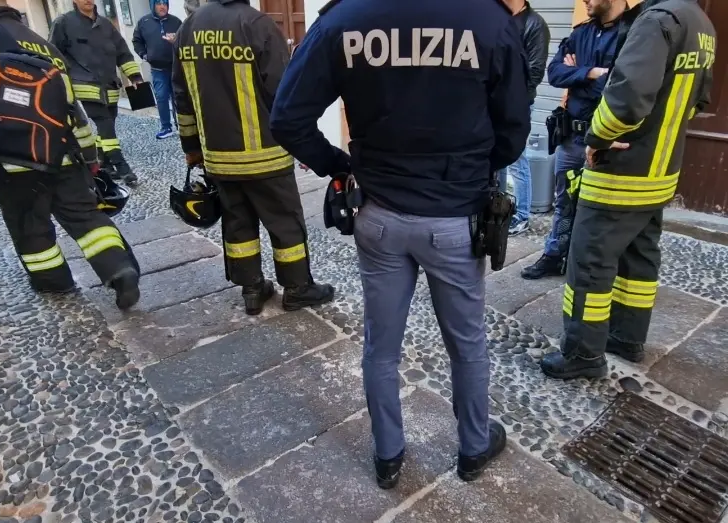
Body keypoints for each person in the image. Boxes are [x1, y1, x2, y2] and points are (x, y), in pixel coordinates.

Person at [270, 0, 530, 489]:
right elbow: (513, 133)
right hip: (454, 218)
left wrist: (337, 165)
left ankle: (387, 455)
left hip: (379, 216)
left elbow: (287, 119)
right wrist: (469, 173)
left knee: (381, 346)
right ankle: (473, 448)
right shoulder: (488, 20)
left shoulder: (345, 19)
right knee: (468, 344)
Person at [541, 0, 715, 379]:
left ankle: (582, 354)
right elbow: (697, 103)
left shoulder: (656, 22)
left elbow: (624, 101)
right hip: (660, 172)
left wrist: (596, 138)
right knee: (639, 258)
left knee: (589, 263)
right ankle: (626, 337)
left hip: (619, 174)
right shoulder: (701, 24)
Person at [0, 0, 141, 309]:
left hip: (10, 156)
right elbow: (72, 108)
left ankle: (54, 282)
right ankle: (119, 268)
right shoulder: (42, 45)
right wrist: (90, 158)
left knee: (29, 224)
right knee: (86, 216)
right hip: (61, 150)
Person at [171, 0, 335, 316]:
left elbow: (182, 96)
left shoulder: (188, 28)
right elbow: (285, 94)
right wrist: (303, 143)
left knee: (237, 223)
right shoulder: (257, 25)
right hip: (266, 156)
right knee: (285, 223)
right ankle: (298, 288)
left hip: (218, 156)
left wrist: (191, 147)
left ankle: (252, 289)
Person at [521, 0, 629, 279]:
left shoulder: (633, 33)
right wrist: (592, 73)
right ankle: (554, 255)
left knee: (599, 210)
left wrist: (578, 74)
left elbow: (620, 86)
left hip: (606, 141)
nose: (584, 1)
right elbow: (555, 74)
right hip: (572, 138)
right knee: (564, 202)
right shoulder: (581, 33)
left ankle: (587, 264)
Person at [49, 0, 144, 186]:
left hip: (109, 89)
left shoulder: (106, 25)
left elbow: (123, 53)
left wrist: (135, 77)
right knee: (106, 127)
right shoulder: (63, 23)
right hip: (84, 89)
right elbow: (53, 56)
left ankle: (104, 166)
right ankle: (123, 168)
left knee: (105, 130)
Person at [495, 0, 550, 235]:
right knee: (497, 158)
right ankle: (496, 207)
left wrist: (514, 102)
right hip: (494, 101)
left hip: (518, 104)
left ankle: (522, 215)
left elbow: (535, 72)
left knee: (517, 159)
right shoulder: (497, 17)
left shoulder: (535, 24)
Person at [132, 0, 182, 140]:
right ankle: (166, 127)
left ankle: (182, 126)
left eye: (165, 3)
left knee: (178, 97)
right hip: (157, 69)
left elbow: (185, 40)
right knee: (161, 97)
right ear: (153, 5)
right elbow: (136, 41)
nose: (162, 6)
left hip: (175, 68)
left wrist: (176, 42)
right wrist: (144, 54)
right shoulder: (144, 22)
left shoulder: (176, 22)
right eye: (159, 3)